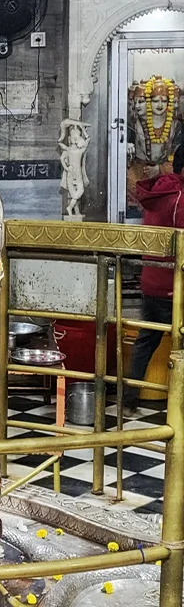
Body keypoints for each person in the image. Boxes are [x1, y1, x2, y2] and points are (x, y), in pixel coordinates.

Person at [128, 143, 184, 416]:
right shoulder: (180, 196)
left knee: (145, 341)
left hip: (151, 281)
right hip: (174, 285)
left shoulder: (160, 191)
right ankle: (178, 405)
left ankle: (128, 400)